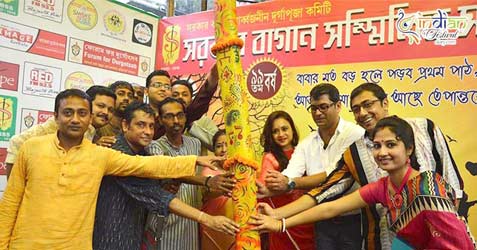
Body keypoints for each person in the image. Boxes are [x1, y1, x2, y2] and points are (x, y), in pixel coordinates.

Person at [0, 89, 222, 249]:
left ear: (89, 119)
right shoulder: (30, 148)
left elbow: (147, 165)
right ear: (56, 116)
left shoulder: (99, 154)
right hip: (28, 242)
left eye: (82, 113)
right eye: (68, 113)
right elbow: (10, 203)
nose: (75, 119)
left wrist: (195, 161)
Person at [257, 83, 464, 250]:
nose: (383, 153)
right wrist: (278, 217)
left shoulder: (425, 130)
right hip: (390, 239)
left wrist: (451, 224)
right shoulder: (369, 170)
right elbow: (326, 196)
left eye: (368, 105)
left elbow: (454, 185)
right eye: (356, 109)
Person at [93, 102, 238, 250]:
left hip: (134, 229)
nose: (148, 132)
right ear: (125, 125)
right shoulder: (119, 151)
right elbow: (157, 194)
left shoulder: (143, 152)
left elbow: (159, 169)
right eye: (141, 125)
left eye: (151, 126)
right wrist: (207, 219)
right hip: (113, 235)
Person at [263, 84, 364, 249]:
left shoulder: (354, 134)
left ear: (338, 106)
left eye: (323, 107)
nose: (317, 113)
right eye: (313, 108)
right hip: (320, 221)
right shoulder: (307, 143)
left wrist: (292, 182)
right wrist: (273, 186)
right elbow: (290, 174)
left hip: (353, 219)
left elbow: (333, 176)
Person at [151, 97, 235, 250]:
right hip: (166, 218)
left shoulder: (194, 143)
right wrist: (207, 181)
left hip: (192, 219)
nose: (176, 121)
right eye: (169, 116)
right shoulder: (155, 147)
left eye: (180, 115)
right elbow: (170, 171)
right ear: (161, 120)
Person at [4, 85, 116, 179]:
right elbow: (17, 142)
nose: (105, 112)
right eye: (101, 106)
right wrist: (16, 185)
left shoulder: (93, 131)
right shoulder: (59, 124)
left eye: (111, 110)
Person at [257, 111, 315, 250]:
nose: (281, 134)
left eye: (284, 129)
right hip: (283, 219)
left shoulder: (303, 152)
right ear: (270, 136)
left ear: (293, 130)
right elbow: (265, 190)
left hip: (307, 215)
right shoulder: (270, 158)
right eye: (275, 131)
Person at [145, 64, 218, 140]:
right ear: (146, 91)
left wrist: (212, 79)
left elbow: (198, 105)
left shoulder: (178, 115)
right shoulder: (137, 112)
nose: (163, 89)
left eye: (167, 86)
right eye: (157, 85)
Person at [200, 129, 236, 250]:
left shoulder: (240, 169)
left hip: (233, 226)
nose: (224, 150)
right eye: (219, 146)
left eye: (227, 145)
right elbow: (207, 192)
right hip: (212, 225)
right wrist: (226, 187)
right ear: (214, 150)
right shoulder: (209, 170)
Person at [172, 79, 218, 154]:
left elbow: (219, 144)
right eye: (175, 95)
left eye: (184, 95)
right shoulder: (165, 123)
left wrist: (191, 125)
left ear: (191, 100)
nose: (180, 97)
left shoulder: (204, 121)